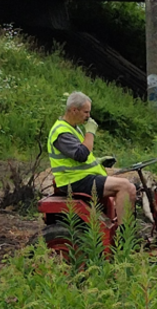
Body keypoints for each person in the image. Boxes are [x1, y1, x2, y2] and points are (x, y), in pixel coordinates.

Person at [48, 92, 137, 224]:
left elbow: (76, 157)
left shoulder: (73, 128)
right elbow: (82, 155)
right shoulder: (62, 132)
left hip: (81, 177)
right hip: (73, 181)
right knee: (124, 186)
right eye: (86, 112)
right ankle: (124, 235)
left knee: (131, 188)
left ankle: (127, 228)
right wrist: (90, 132)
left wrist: (98, 160)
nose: (88, 116)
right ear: (74, 110)